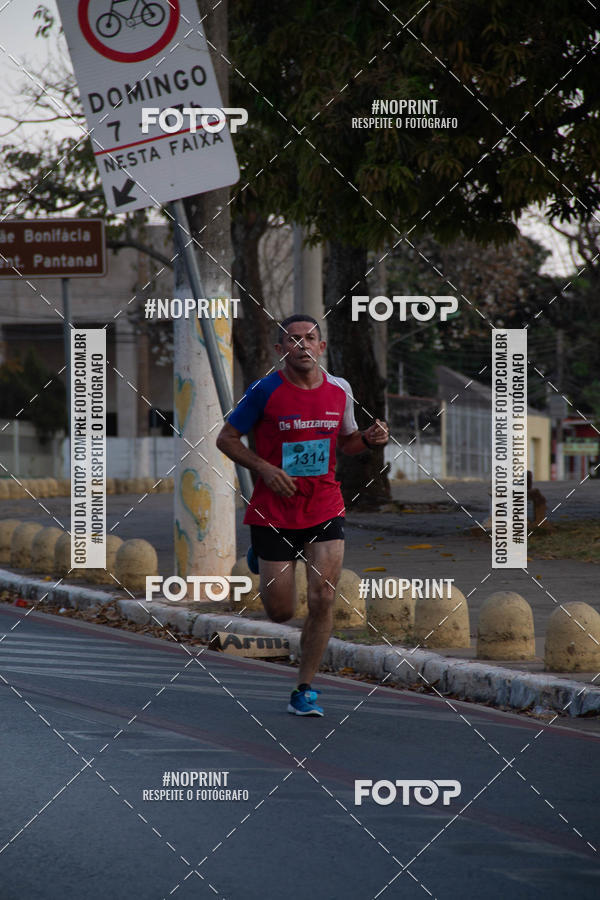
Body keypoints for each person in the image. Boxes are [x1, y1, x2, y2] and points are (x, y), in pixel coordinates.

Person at [216, 314, 388, 716]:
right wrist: (265, 469)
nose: (302, 345)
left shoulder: (339, 389)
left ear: (321, 347)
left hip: (324, 504)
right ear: (281, 350)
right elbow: (226, 439)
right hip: (274, 509)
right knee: (281, 612)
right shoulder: (264, 391)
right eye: (294, 339)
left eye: (310, 338)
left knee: (323, 597)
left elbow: (346, 442)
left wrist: (368, 439)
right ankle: (261, 556)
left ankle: (304, 688)